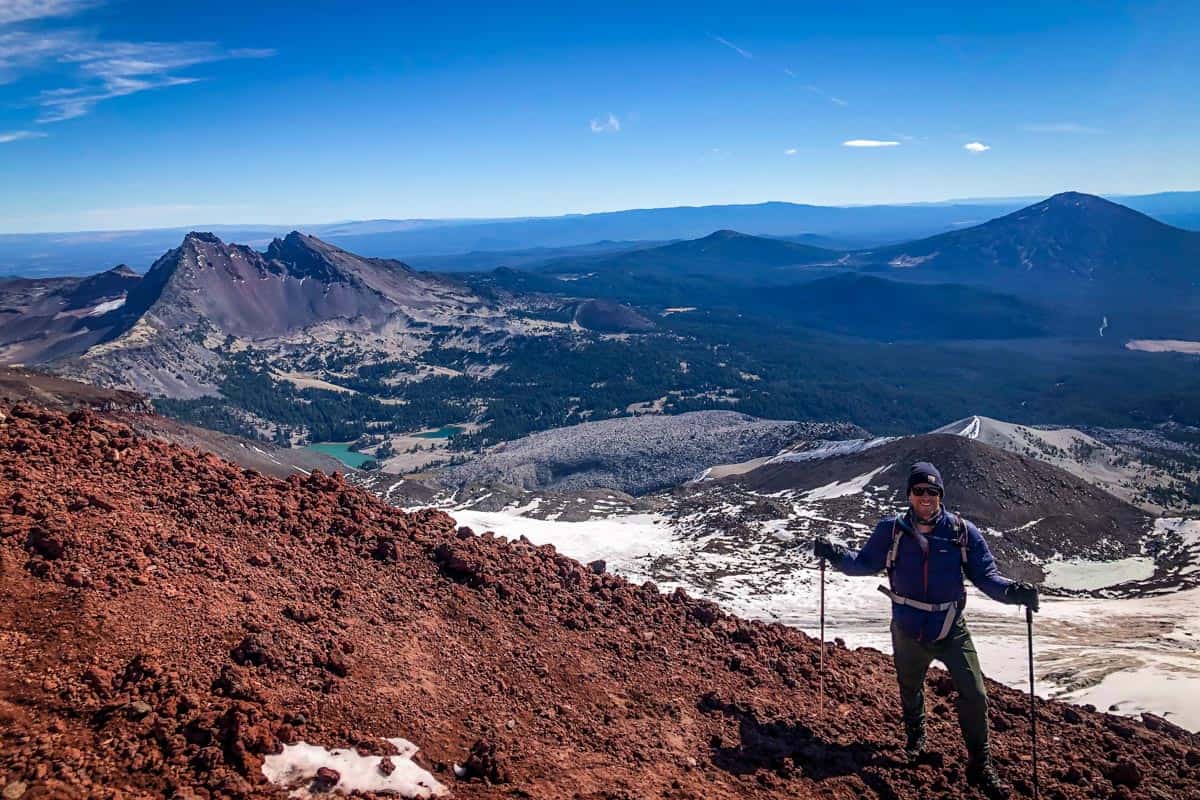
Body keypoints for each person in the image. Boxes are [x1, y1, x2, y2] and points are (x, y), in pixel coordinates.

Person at [813, 461, 1038, 800]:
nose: (926, 497)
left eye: (932, 491)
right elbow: (863, 563)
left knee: (975, 694)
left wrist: (1013, 593)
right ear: (909, 495)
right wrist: (834, 555)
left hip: (950, 628)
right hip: (907, 628)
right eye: (919, 491)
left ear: (940, 495)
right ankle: (916, 738)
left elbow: (987, 577)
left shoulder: (962, 533)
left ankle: (980, 763)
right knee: (910, 689)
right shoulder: (891, 531)